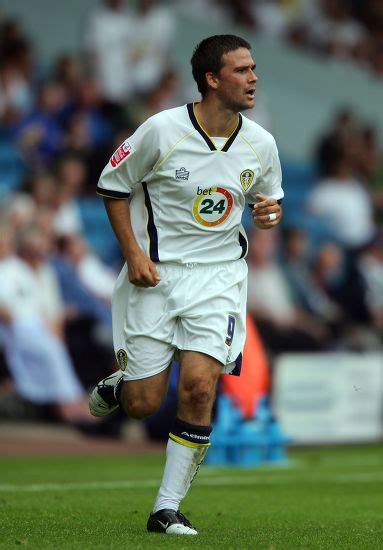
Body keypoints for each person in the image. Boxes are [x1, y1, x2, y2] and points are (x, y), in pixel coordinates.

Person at [89, 34, 283, 535]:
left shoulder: (261, 143)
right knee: (142, 404)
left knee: (199, 387)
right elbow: (112, 185)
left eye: (254, 68)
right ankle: (120, 384)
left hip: (219, 279)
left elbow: (269, 203)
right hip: (156, 276)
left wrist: (268, 213)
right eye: (241, 70)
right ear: (212, 80)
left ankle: (165, 509)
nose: (253, 77)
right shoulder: (162, 129)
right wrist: (133, 253)